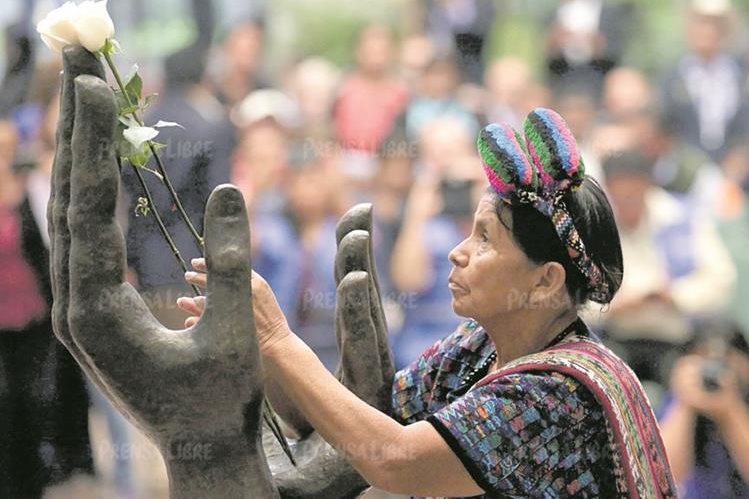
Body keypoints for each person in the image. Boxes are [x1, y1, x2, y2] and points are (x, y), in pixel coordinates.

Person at [180, 108, 677, 496]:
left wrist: (276, 337)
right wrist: (254, 343)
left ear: (546, 281)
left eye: (484, 240)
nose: (458, 253)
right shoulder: (476, 348)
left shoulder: (555, 394)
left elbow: (395, 458)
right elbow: (344, 422)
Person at [659, 319, 749, 498]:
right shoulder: (674, 403)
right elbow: (661, 481)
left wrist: (731, 412)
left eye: (725, 361)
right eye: (703, 358)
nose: (714, 371)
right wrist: (685, 403)